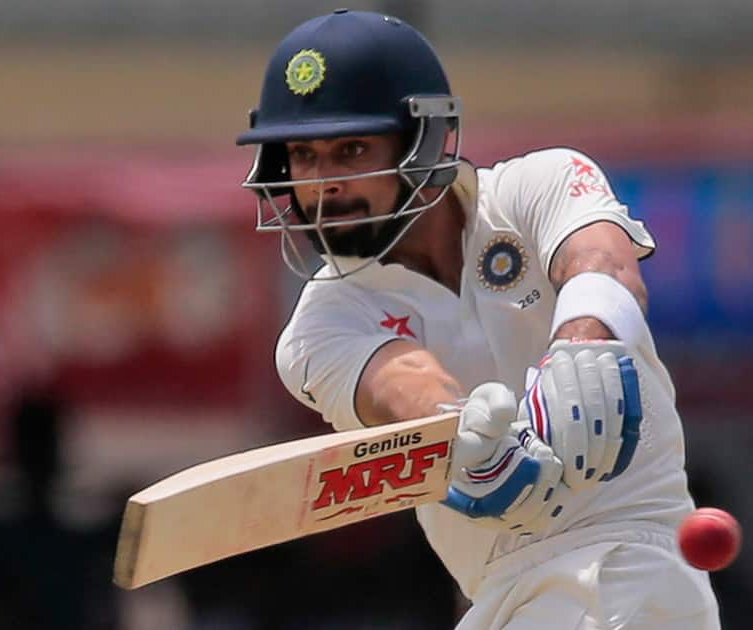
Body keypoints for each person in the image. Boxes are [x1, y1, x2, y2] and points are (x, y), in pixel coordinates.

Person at [237, 9, 721, 630]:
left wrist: (586, 345)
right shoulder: (315, 327)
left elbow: (604, 262)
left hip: (630, 563)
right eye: (303, 156)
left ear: (424, 141)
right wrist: (462, 432)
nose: (323, 184)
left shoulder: (533, 187)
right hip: (499, 597)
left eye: (352, 150)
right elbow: (398, 381)